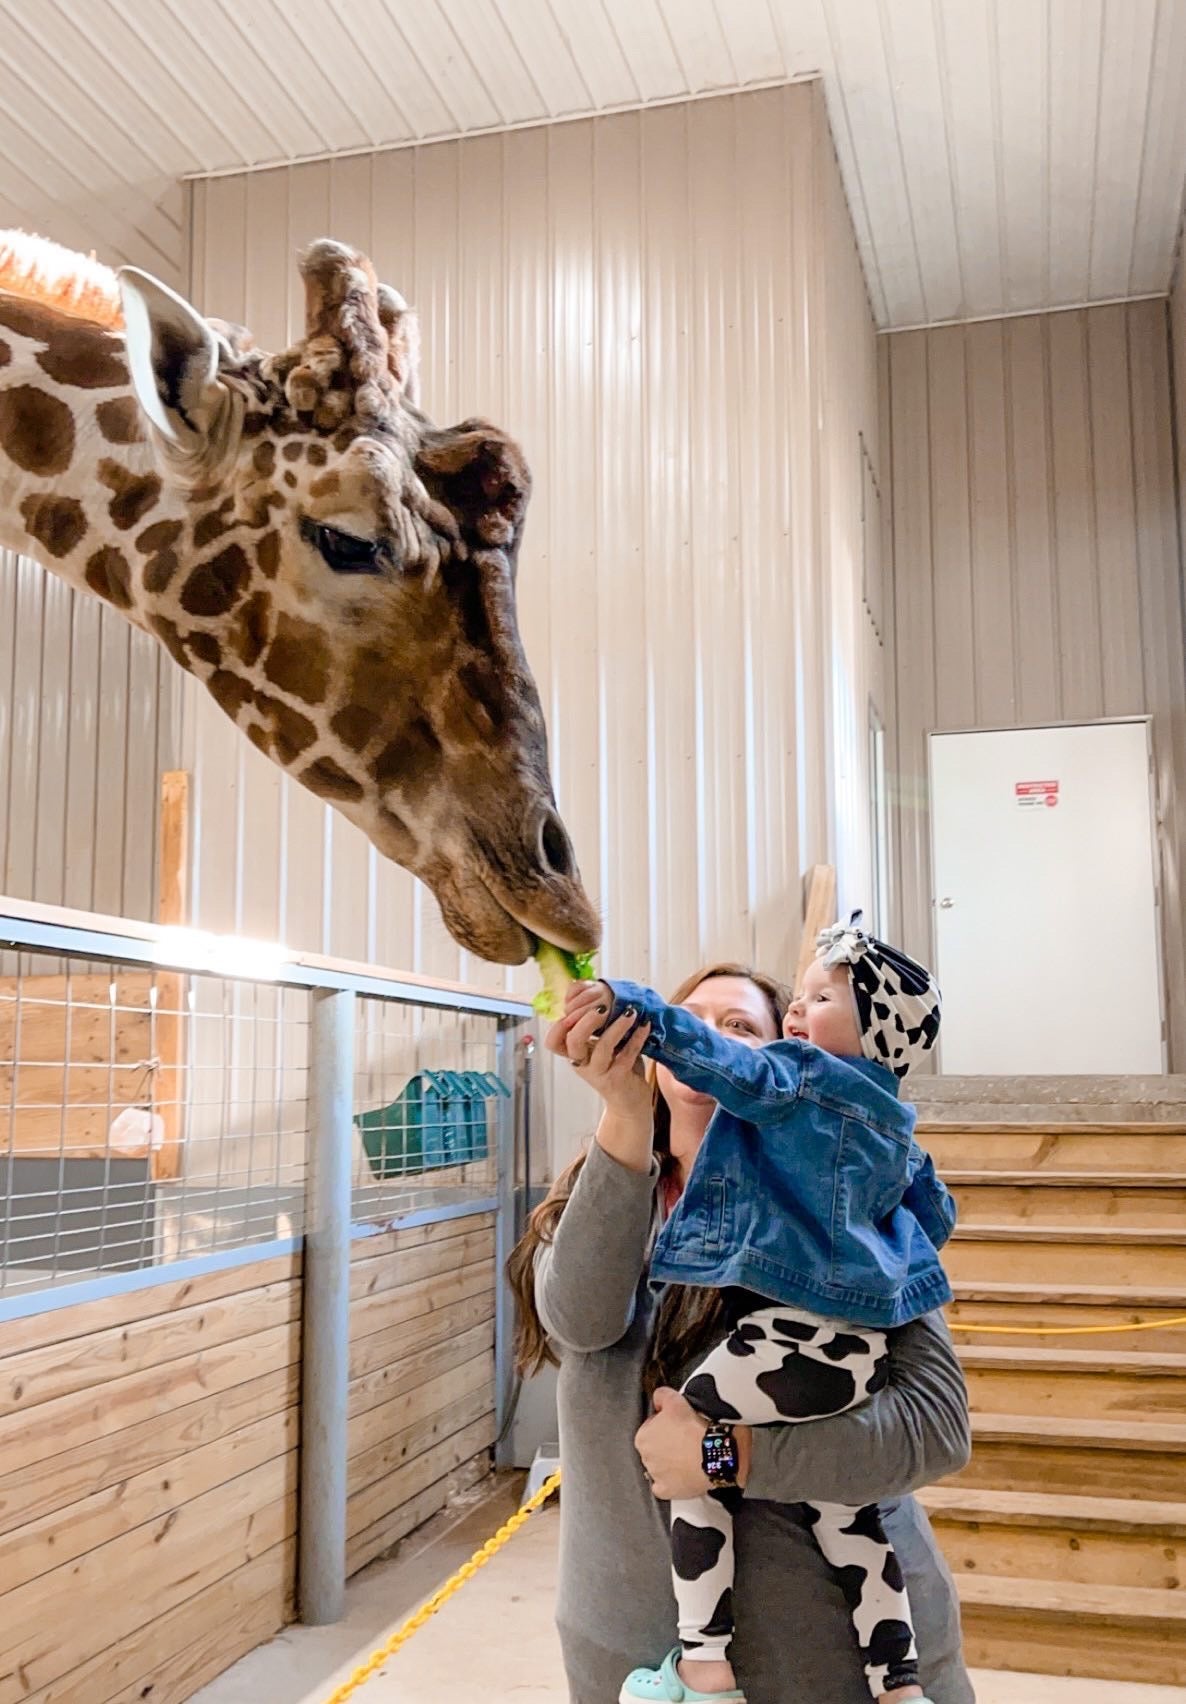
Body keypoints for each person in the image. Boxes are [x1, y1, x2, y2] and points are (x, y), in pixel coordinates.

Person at [508, 961, 974, 1704]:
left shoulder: (845, 1218)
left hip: (827, 1661)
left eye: (742, 1028)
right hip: (627, 1653)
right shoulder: (594, 1196)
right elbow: (584, 1322)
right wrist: (625, 1121)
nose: (711, 1039)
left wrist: (728, 1455)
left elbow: (935, 1426)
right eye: (692, 1020)